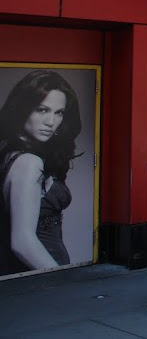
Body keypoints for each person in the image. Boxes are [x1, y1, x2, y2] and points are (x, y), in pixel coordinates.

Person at [0, 70, 82, 275]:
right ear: (23, 110)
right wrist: (61, 278)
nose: (50, 122)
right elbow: (22, 242)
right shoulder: (29, 162)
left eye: (59, 113)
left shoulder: (12, 153)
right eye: (42, 110)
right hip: (41, 273)